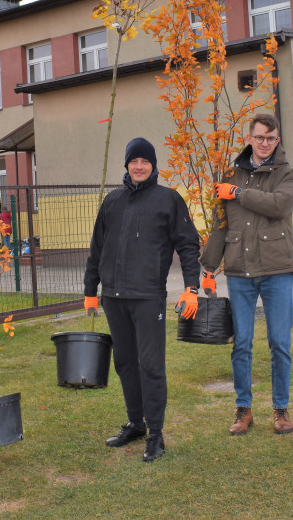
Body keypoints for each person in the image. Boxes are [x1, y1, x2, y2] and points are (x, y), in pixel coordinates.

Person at [83, 137, 201, 462]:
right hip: (114, 299)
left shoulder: (169, 200)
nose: (139, 166)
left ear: (153, 165)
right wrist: (90, 290)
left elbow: (188, 245)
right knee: (124, 363)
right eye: (133, 161)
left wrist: (192, 287)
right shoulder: (112, 202)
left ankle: (156, 435)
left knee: (151, 366)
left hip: (148, 298)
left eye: (144, 161)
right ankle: (136, 423)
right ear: (127, 165)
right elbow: (96, 249)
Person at [200, 112, 293, 436]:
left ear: (277, 140)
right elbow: (221, 223)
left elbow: (278, 206)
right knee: (241, 342)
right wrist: (207, 267)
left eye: (270, 139)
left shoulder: (288, 174)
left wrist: (239, 194)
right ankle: (243, 410)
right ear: (250, 138)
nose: (264, 143)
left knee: (279, 342)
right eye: (259, 137)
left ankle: (280, 410)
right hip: (240, 271)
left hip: (277, 270)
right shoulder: (231, 174)